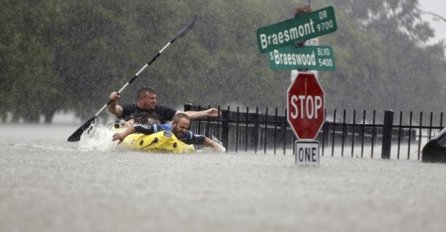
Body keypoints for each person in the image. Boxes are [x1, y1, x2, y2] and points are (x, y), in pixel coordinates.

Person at [112, 112, 225, 152]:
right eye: (182, 127)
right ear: (174, 124)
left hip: (172, 143)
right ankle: (124, 124)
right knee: (143, 123)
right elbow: (137, 127)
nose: (184, 130)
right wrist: (122, 135)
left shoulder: (186, 135)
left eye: (186, 128)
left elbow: (202, 139)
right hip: (145, 135)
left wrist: (215, 146)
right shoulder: (161, 129)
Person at [108, 87, 220, 125]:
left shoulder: (161, 110)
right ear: (142, 99)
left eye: (155, 98)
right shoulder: (128, 108)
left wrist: (206, 113)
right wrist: (112, 100)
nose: (155, 101)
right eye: (152, 99)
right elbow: (113, 110)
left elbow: (183, 115)